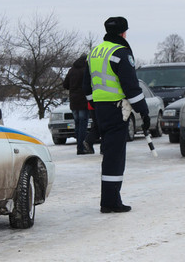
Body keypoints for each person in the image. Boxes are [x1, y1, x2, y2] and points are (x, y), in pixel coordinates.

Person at [83, 16, 150, 213]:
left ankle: (110, 199)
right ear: (123, 33)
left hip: (101, 110)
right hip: (116, 109)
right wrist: (143, 112)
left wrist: (94, 107)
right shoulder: (121, 52)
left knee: (109, 154)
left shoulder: (94, 52)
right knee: (115, 156)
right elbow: (131, 87)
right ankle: (111, 202)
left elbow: (87, 86)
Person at [63, 54, 91, 155]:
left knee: (77, 125)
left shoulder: (71, 70)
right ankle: (81, 147)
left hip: (73, 101)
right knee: (83, 125)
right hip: (83, 100)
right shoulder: (86, 70)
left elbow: (65, 84)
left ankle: (79, 147)